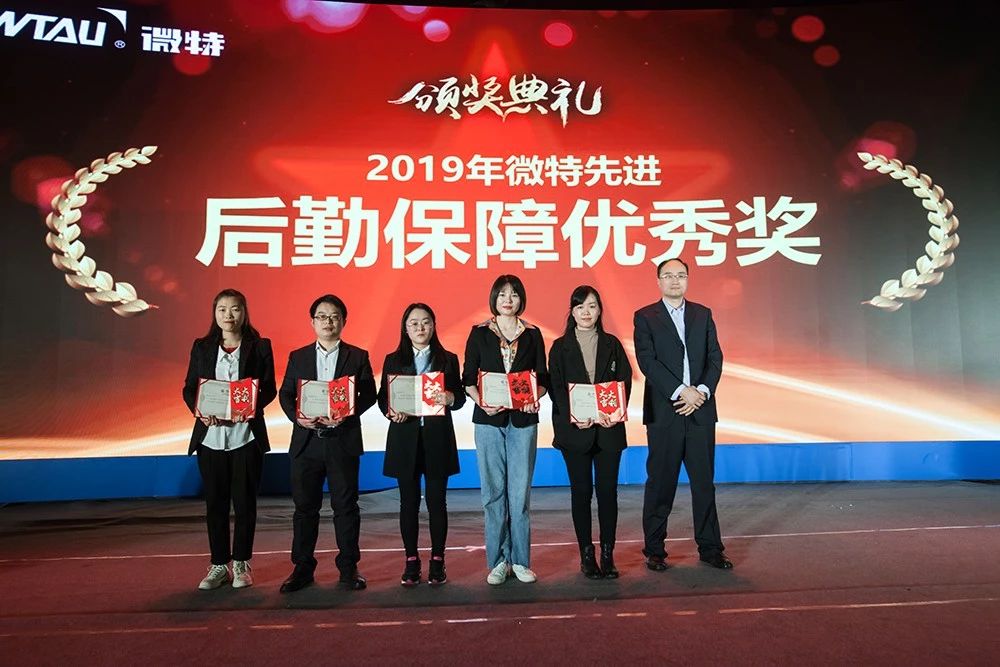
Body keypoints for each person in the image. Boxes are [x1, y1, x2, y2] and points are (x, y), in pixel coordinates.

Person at [633, 258, 732, 570]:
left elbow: (715, 358)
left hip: (701, 410)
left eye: (680, 275)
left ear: (688, 279)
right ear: (659, 281)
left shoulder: (703, 314)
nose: (675, 280)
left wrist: (700, 391)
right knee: (661, 483)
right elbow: (647, 362)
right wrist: (680, 391)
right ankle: (654, 550)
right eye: (668, 275)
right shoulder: (645, 316)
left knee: (704, 484)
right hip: (666, 412)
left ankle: (710, 548)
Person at [277, 294, 377, 592]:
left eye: (334, 316)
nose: (328, 321)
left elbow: (369, 394)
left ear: (343, 321)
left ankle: (348, 568)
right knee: (304, 509)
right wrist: (298, 418)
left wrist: (347, 414)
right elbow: (286, 394)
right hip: (306, 442)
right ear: (312, 322)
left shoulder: (357, 356)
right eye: (322, 316)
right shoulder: (298, 356)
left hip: (342, 441)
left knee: (346, 507)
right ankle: (302, 568)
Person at [182, 288, 277, 590]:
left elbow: (269, 388)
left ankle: (241, 563)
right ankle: (218, 565)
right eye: (222, 309)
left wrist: (249, 408)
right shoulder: (202, 347)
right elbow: (190, 388)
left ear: (244, 312)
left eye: (235, 308)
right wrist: (200, 411)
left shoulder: (260, 346)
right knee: (216, 505)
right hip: (210, 437)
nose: (228, 315)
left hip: (245, 436)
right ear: (214, 313)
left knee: (245, 504)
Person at [463, 275, 549, 585]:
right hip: (488, 420)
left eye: (513, 294)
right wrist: (481, 402)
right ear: (494, 299)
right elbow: (467, 379)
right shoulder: (479, 333)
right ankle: (499, 561)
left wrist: (533, 398)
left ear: (521, 298)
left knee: (519, 493)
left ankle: (521, 561)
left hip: (523, 422)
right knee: (493, 494)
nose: (508, 300)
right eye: (502, 295)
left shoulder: (533, 334)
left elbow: (543, 379)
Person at [377, 303, 466, 586]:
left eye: (425, 322)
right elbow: (383, 398)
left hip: (437, 438)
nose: (420, 328)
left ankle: (438, 560)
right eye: (414, 323)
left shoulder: (448, 359)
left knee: (438, 502)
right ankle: (411, 560)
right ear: (405, 328)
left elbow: (460, 398)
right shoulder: (393, 360)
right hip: (405, 438)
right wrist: (391, 412)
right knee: (409, 502)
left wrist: (450, 398)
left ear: (434, 325)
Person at [549, 285, 632, 579]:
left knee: (608, 493)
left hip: (609, 431)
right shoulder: (560, 347)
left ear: (600, 311)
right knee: (581, 493)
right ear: (572, 312)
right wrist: (574, 418)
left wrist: (615, 413)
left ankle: (608, 554)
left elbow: (624, 382)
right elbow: (557, 389)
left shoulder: (612, 344)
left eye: (592, 306)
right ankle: (587, 554)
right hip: (576, 433)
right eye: (580, 306)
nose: (586, 312)